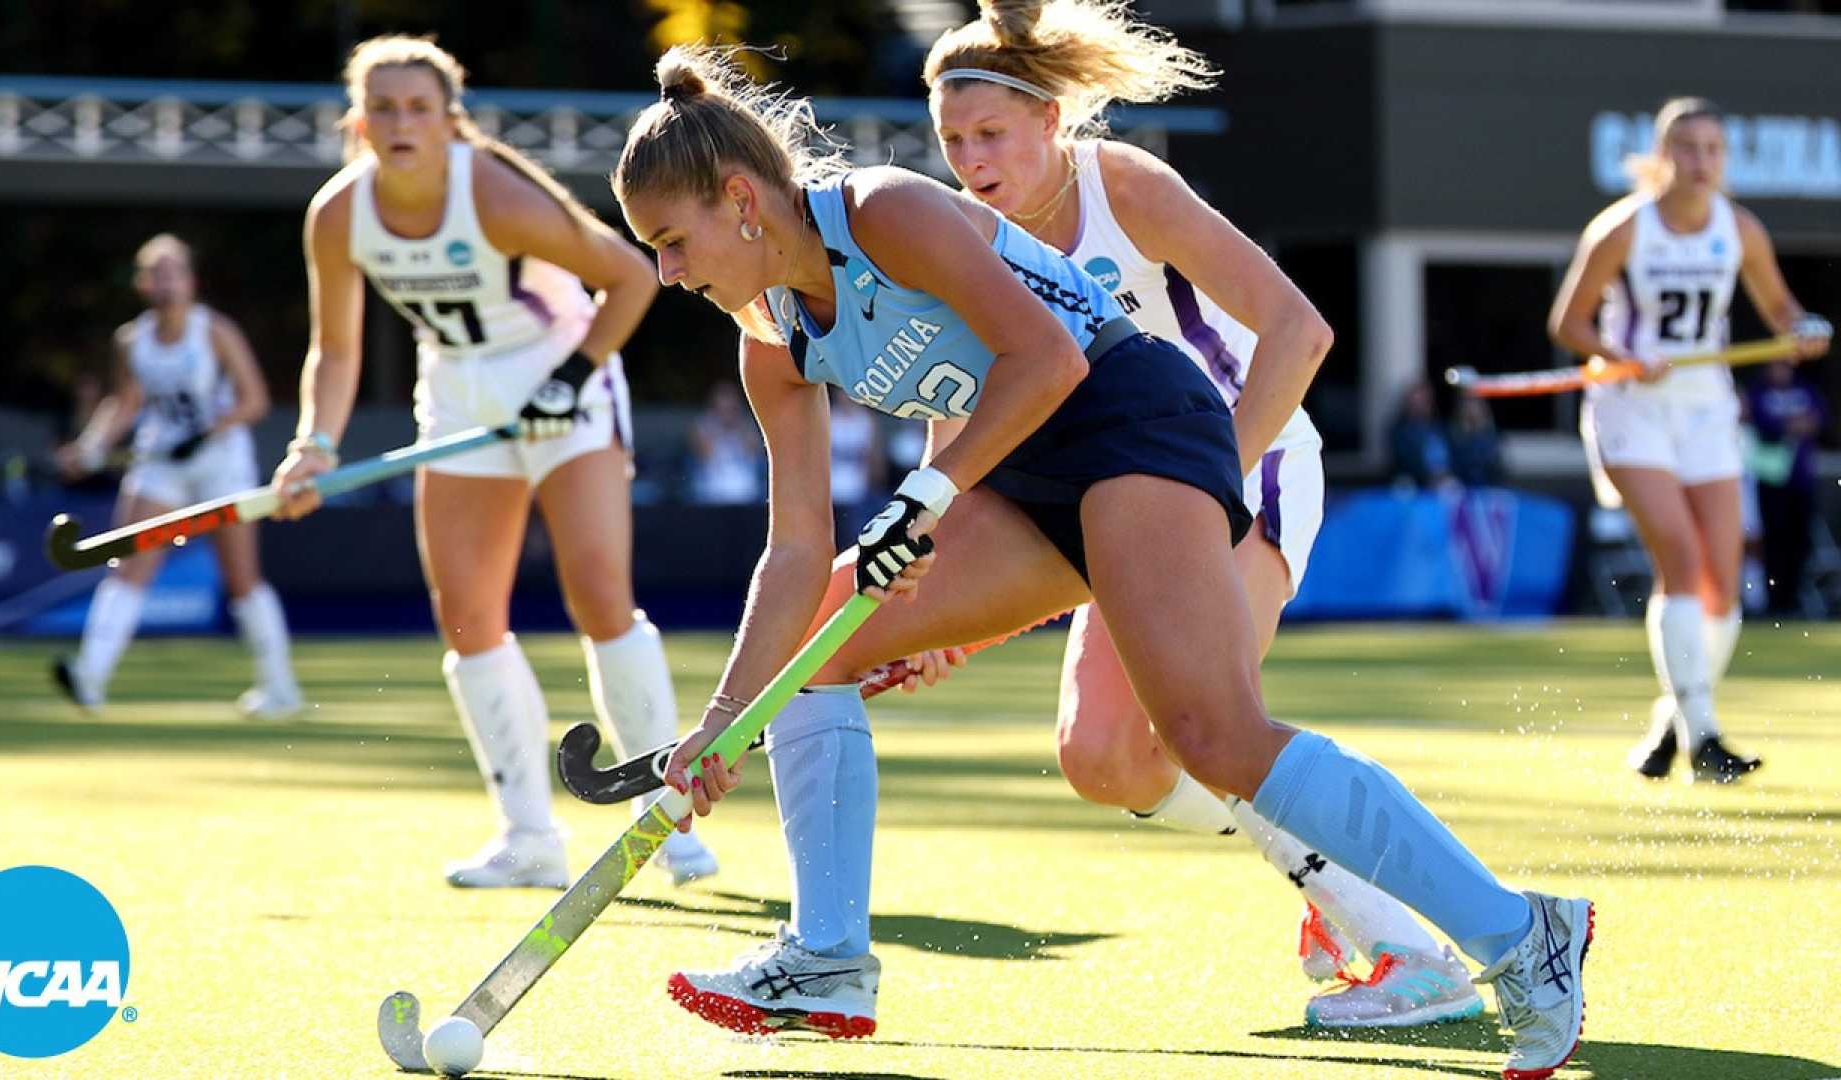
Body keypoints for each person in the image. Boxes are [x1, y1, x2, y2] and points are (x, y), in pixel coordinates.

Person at [616, 39, 1593, 1080]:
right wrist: (722, 722)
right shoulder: (771, 341)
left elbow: (1050, 357)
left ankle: (1520, 935)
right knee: (817, 640)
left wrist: (929, 496)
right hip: (1026, 472)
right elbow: (795, 547)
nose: (669, 275)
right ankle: (827, 962)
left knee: (1212, 732)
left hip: (1134, 420)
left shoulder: (885, 213)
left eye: (672, 242)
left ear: (740, 199)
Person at [892, 0, 1475, 1027]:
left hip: (1248, 462)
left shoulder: (1121, 187)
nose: (972, 160)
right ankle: (1336, 880)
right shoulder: (955, 236)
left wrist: (1215, 486)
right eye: (952, 141)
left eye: (991, 135)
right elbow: (962, 428)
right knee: (1105, 760)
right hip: (1115, 497)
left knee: (1209, 728)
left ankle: (1417, 951)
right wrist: (934, 602)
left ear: (1051, 123)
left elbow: (1300, 331)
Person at [270, 34, 717, 889]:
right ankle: (527, 837)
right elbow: (334, 350)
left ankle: (664, 821)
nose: (402, 124)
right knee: (468, 616)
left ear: (449, 121)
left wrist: (568, 382)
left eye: (419, 108)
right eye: (385, 109)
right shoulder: (337, 214)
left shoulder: (495, 194)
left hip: (560, 381)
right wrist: (311, 447)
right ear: (359, 123)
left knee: (599, 596)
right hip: (460, 397)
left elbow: (628, 277)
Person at [1548, 96, 1831, 783]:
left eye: (1713, 150)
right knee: (1679, 556)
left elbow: (1780, 308)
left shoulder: (1739, 229)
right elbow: (1569, 324)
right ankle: (1705, 737)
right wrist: (1621, 353)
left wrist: (1805, 325)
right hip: (1632, 409)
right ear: (1662, 155)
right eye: (1687, 148)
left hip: (1705, 410)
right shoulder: (1622, 229)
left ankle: (1672, 723)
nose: (1701, 163)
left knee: (1723, 584)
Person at [53, 234, 303, 720]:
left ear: (190, 281)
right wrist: (90, 447)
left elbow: (255, 400)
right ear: (144, 284)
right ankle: (90, 675)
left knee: (242, 579)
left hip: (222, 463)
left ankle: (279, 686)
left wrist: (210, 430)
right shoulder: (132, 340)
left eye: (175, 273)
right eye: (157, 274)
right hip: (161, 463)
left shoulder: (215, 332)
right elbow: (125, 403)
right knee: (128, 567)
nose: (167, 284)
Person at [1748, 361, 1827, 614]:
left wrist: (1789, 425)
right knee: (1774, 540)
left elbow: (1819, 419)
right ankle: (1775, 600)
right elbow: (1763, 425)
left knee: (1800, 540)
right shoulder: (1759, 391)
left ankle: (1794, 598)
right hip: (1770, 478)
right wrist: (1788, 426)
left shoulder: (1805, 389)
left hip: (1801, 478)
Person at [687, 382, 764, 504]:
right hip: (711, 493)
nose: (726, 409)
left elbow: (755, 451)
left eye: (730, 405)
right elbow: (701, 454)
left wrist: (737, 427)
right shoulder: (703, 426)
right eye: (723, 403)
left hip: (745, 494)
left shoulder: (746, 425)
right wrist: (720, 429)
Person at [1389, 381, 1455, 488]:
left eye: (1426, 400)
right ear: (1409, 403)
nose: (1422, 405)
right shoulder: (1399, 431)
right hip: (1413, 485)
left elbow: (1452, 455)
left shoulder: (1440, 427)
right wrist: (1429, 477)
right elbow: (1405, 461)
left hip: (1443, 483)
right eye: (1418, 401)